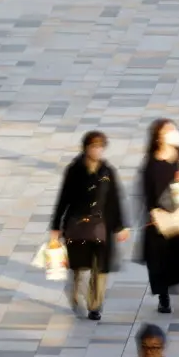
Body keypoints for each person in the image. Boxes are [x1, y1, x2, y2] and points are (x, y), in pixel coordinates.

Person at [50, 131, 130, 321]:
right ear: (86, 147)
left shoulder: (107, 171)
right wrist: (56, 225)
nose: (97, 150)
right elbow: (63, 198)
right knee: (78, 267)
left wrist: (120, 225)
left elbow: (115, 199)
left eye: (100, 146)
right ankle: (76, 296)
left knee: (100, 267)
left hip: (101, 225)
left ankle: (95, 305)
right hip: (77, 225)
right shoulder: (74, 170)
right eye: (94, 146)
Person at [141, 119, 179, 315]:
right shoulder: (151, 161)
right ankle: (163, 297)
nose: (172, 133)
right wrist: (150, 212)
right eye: (168, 130)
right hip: (159, 217)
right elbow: (146, 190)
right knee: (158, 260)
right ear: (158, 136)